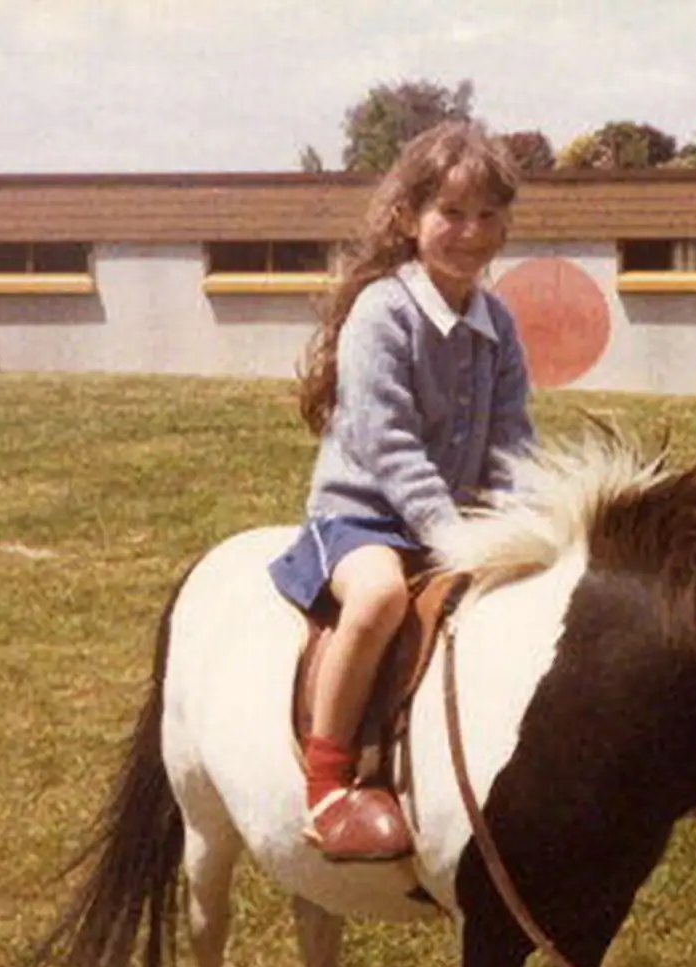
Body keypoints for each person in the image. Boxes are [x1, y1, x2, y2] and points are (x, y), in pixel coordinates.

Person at [268, 121, 533, 863]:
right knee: (382, 598)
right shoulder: (383, 313)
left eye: (488, 215)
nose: (471, 232)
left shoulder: (498, 322)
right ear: (408, 217)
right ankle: (328, 781)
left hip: (456, 521)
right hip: (364, 519)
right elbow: (389, 447)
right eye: (450, 212)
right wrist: (454, 536)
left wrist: (525, 521)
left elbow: (514, 439)